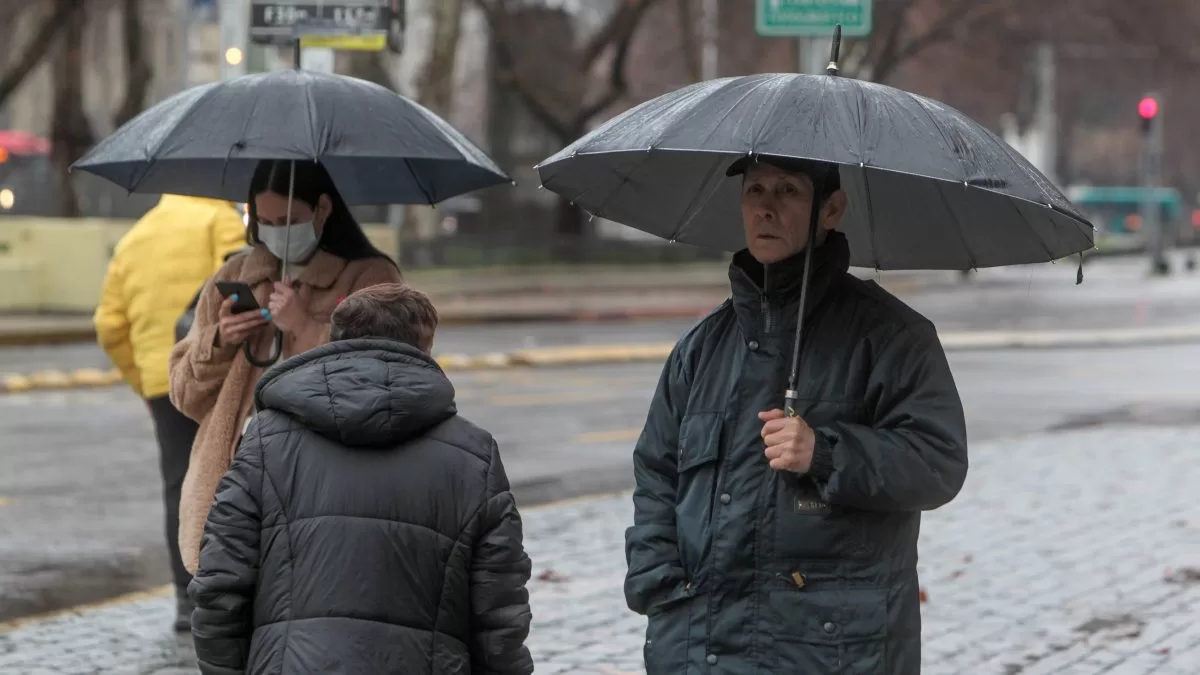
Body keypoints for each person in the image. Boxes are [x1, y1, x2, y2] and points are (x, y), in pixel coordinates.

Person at [624, 155, 969, 675]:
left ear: (830, 209)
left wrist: (827, 453)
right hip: (703, 647)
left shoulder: (892, 337)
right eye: (755, 190)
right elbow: (657, 473)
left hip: (832, 651)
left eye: (787, 191)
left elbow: (938, 462)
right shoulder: (702, 348)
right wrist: (660, 587)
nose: (766, 208)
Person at [188, 283, 534, 675]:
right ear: (425, 347)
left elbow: (220, 584)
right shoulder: (474, 455)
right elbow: (500, 613)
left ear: (337, 341)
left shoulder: (266, 441)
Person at [169, 160, 403, 576]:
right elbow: (186, 396)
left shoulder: (371, 276)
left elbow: (381, 382)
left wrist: (304, 327)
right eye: (266, 221)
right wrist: (220, 339)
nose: (277, 231)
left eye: (290, 220)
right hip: (236, 475)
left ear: (323, 209)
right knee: (232, 608)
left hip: (323, 478)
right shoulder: (236, 275)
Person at [93, 194, 246, 631]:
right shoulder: (221, 220)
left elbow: (109, 323)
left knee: (180, 482)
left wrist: (142, 380)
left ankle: (185, 596)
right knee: (229, 477)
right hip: (213, 372)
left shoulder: (136, 236)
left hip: (161, 379)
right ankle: (228, 589)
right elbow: (238, 281)